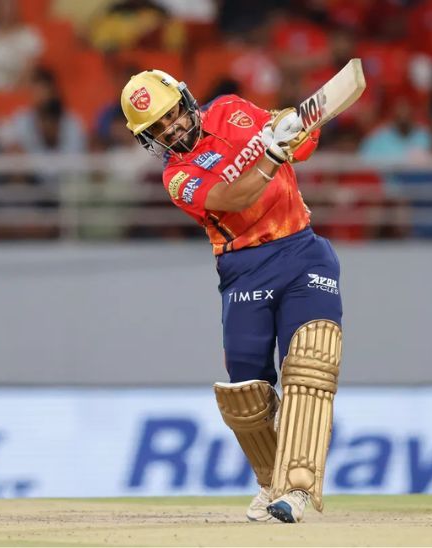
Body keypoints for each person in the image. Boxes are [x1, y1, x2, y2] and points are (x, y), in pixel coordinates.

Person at [120, 69, 342, 523]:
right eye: (158, 128)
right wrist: (271, 154)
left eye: (172, 115)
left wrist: (292, 130)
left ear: (186, 100)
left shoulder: (231, 109)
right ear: (148, 139)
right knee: (245, 395)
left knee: (311, 361)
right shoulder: (177, 176)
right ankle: (270, 480)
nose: (171, 129)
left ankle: (296, 489)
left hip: (302, 251)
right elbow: (234, 197)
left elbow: (304, 144)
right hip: (243, 269)